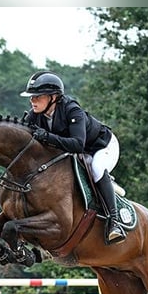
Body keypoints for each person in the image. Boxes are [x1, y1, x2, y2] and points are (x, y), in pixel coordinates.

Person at [20, 70, 126, 245]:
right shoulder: (34, 115)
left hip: (101, 147)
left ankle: (114, 222)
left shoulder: (72, 110)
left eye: (38, 96)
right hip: (77, 152)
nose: (32, 100)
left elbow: (77, 144)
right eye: (31, 97)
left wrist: (47, 137)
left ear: (53, 97)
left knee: (97, 168)